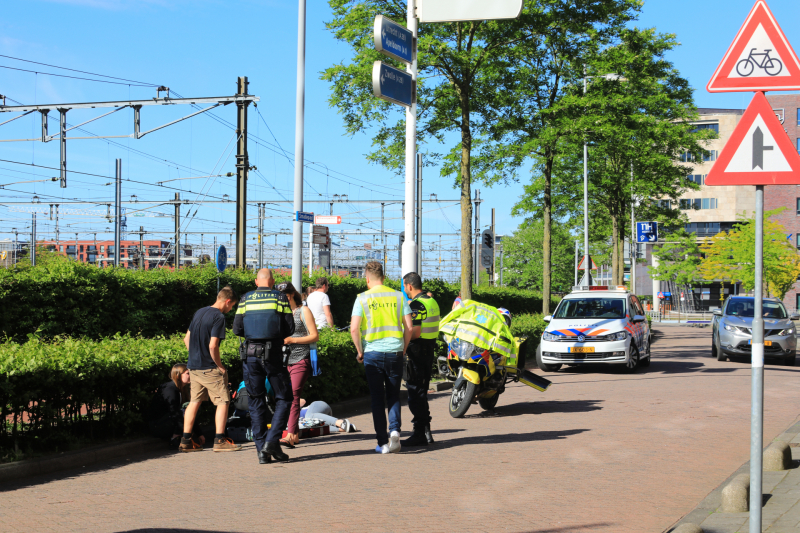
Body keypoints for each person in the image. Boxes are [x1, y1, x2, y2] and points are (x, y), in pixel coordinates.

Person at [233, 268, 295, 464]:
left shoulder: (244, 299)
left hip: (250, 356)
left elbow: (237, 329)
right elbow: (290, 327)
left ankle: (262, 451)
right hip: (273, 355)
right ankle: (272, 441)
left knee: (255, 400)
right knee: (284, 397)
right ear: (272, 281)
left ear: (255, 281)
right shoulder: (279, 298)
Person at [350, 261, 413, 454]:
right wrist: (403, 348)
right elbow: (409, 327)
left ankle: (382, 443)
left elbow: (354, 329)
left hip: (372, 354)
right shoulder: (398, 296)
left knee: (377, 399)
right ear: (384, 278)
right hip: (395, 351)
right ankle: (395, 430)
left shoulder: (362, 298)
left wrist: (360, 351)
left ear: (367, 279)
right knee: (394, 396)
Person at [180, 287, 241, 453]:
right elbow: (213, 345)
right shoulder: (218, 317)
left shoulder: (199, 312)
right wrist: (220, 366)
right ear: (227, 301)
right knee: (223, 401)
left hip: (194, 366)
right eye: (231, 306)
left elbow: (187, 339)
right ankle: (220, 439)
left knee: (194, 402)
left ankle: (186, 440)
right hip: (209, 368)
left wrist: (195, 356)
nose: (230, 310)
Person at [277, 281, 319, 448]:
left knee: (294, 396)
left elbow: (314, 336)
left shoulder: (303, 310)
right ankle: (293, 435)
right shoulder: (280, 313)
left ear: (290, 295)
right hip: (283, 361)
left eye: (283, 297)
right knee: (286, 397)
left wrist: (292, 339)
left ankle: (290, 434)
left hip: (301, 359)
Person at [401, 272, 440, 446]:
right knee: (422, 392)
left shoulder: (417, 304)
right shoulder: (431, 301)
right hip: (429, 350)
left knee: (415, 394)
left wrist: (402, 341)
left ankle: (420, 433)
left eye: (404, 286)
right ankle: (426, 431)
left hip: (416, 353)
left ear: (409, 285)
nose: (404, 290)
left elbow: (415, 333)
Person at [147, 363, 205, 449]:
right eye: (188, 373)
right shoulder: (170, 389)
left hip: (168, 422)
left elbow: (190, 413)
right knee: (186, 409)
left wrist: (199, 433)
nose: (191, 376)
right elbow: (174, 412)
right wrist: (186, 432)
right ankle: (175, 438)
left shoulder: (182, 389)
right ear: (178, 375)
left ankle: (180, 436)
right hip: (158, 426)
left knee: (192, 408)